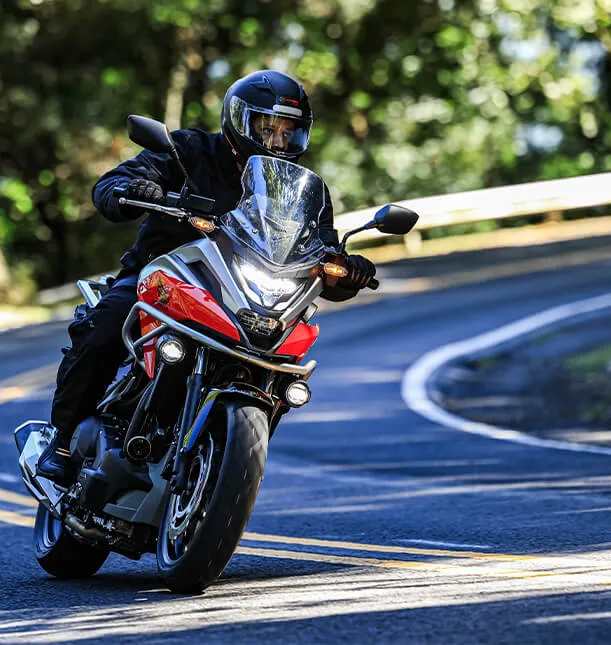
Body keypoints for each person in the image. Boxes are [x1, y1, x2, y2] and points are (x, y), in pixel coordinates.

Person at [37, 70, 377, 484]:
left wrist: (346, 270)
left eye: (290, 132)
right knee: (109, 322)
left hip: (246, 296)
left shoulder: (300, 192)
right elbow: (114, 183)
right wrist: (137, 189)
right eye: (268, 127)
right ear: (239, 120)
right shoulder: (188, 150)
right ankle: (61, 439)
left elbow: (320, 248)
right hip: (165, 278)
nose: (279, 140)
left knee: (285, 358)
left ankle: (227, 460)